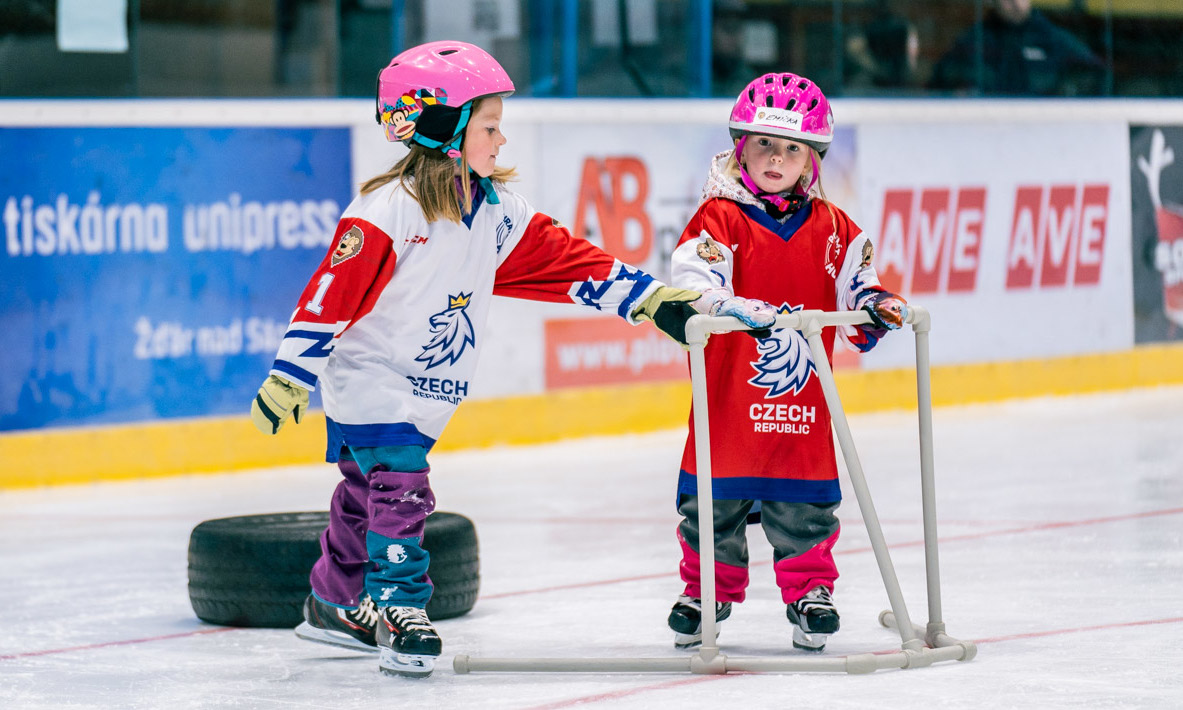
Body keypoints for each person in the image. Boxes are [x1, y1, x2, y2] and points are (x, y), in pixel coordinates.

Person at [248, 40, 704, 678]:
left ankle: (331, 603)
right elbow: (330, 295)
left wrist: (650, 300)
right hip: (373, 381)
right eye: (489, 126)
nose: (501, 140)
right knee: (401, 490)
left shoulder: (492, 211)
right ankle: (398, 606)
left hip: (425, 386)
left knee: (363, 494)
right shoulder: (388, 211)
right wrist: (288, 376)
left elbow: (565, 260)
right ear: (439, 124)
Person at [665, 72, 909, 653]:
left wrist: (876, 308)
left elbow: (861, 289)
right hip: (728, 406)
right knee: (711, 509)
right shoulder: (718, 219)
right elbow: (693, 280)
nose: (776, 157)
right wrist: (728, 304)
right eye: (763, 144)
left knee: (804, 508)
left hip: (801, 407)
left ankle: (810, 592)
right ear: (739, 147)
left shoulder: (836, 230)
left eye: (791, 148)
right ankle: (706, 592)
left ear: (813, 157)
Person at [929, 0, 1104, 96]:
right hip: (984, 137)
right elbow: (939, 88)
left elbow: (1098, 79)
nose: (1013, 1)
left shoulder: (1053, 41)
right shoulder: (972, 43)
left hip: (1042, 138)